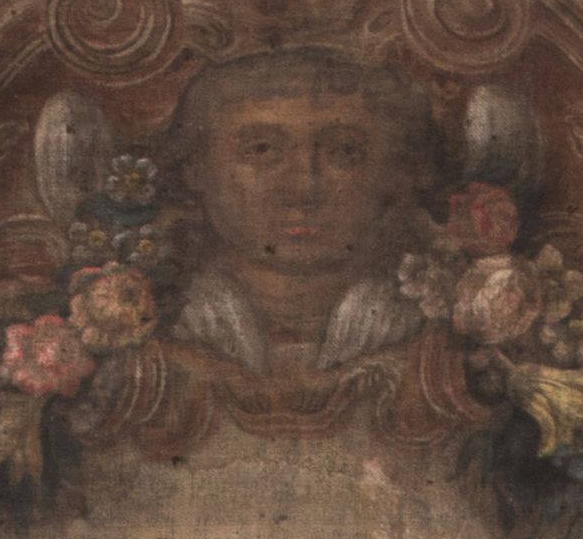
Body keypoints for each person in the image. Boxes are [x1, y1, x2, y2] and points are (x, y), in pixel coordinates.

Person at [155, 44, 437, 378]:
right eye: (262, 149)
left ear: (398, 170)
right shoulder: (163, 322)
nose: (302, 189)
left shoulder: (430, 329)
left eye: (344, 151)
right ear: (196, 168)